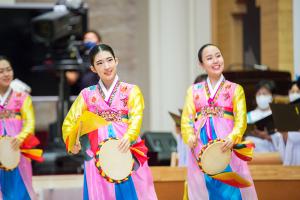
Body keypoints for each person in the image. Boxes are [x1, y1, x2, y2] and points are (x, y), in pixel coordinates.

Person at [62, 44, 157, 199]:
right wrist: (73, 141)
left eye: (109, 60)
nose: (106, 66)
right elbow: (70, 121)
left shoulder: (131, 90)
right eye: (99, 63)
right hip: (96, 153)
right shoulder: (86, 94)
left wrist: (129, 136)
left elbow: (136, 118)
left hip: (125, 147)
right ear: (93, 68)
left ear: (116, 61)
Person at [181, 44, 257, 199]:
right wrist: (189, 136)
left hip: (226, 146)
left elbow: (241, 120)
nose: (216, 60)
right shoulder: (194, 91)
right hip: (200, 147)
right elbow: (187, 119)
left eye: (218, 55)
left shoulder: (235, 89)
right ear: (201, 65)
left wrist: (233, 137)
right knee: (203, 188)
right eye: (209, 58)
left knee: (230, 191)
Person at [0, 56, 36, 199]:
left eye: (9, 70)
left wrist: (20, 138)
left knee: (19, 189)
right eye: (1, 71)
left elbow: (30, 122)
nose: (6, 74)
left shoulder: (22, 96)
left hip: (18, 151)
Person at [245, 80, 277, 152]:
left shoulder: (277, 115)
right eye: (259, 94)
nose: (261, 96)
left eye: (265, 94)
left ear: (272, 97)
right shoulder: (248, 116)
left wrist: (268, 137)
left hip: (274, 153)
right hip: (253, 155)